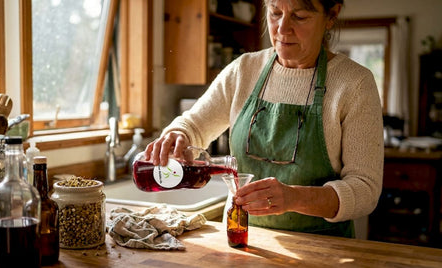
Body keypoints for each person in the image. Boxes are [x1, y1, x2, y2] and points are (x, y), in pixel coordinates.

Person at [144, 0, 383, 238]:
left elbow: (365, 190)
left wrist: (294, 198)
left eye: (299, 16)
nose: (282, 28)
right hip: (246, 239)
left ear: (331, 16)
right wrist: (178, 135)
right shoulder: (244, 70)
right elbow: (193, 126)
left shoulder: (355, 83)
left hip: (325, 248)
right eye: (275, 13)